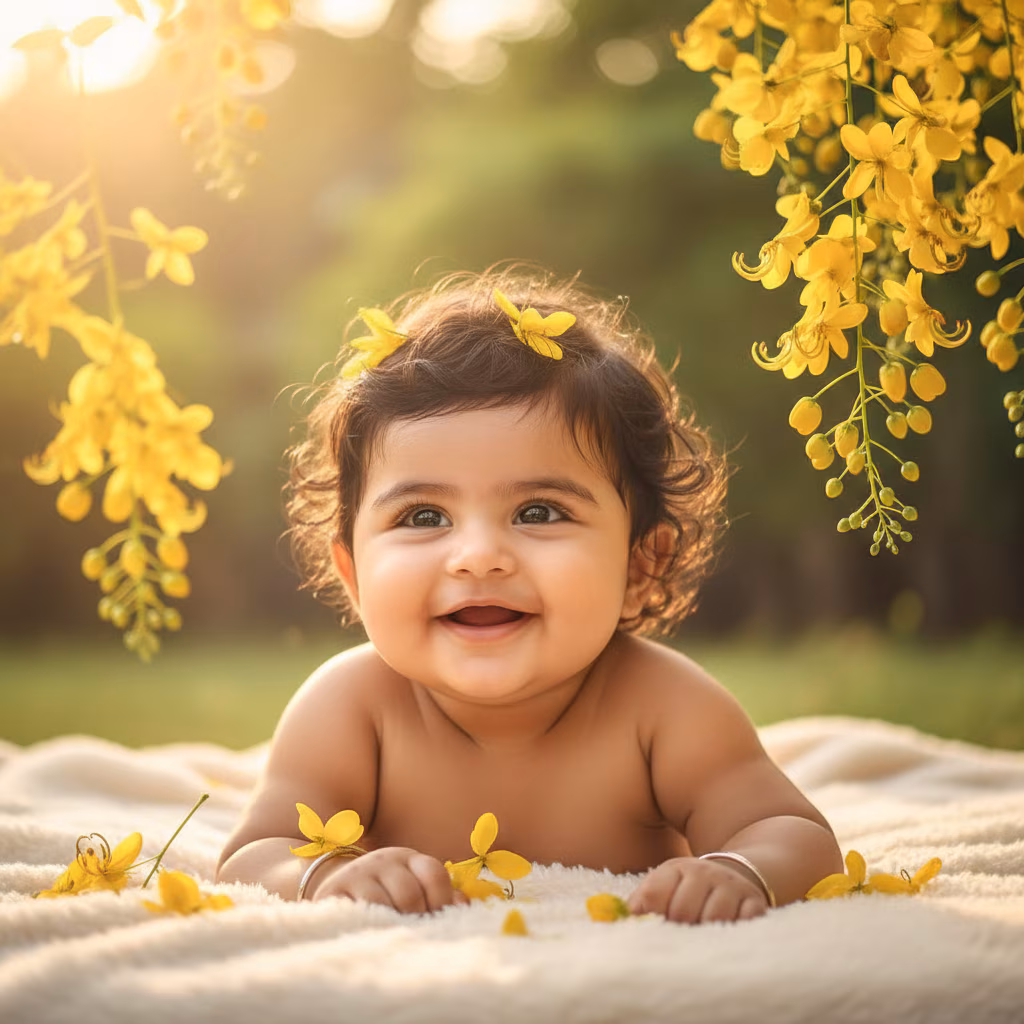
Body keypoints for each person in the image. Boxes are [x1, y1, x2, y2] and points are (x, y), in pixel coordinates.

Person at [217, 267, 842, 923]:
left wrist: (738, 871)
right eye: (424, 517)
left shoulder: (663, 708)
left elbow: (790, 832)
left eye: (540, 512)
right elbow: (259, 851)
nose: (480, 556)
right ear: (352, 574)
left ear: (639, 566)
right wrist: (323, 876)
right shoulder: (352, 709)